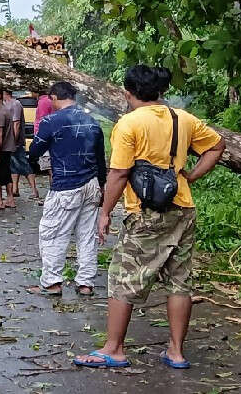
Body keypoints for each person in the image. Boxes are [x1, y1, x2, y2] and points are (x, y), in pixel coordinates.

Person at [75, 65, 225, 370]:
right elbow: (217, 145)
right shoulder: (182, 118)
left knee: (121, 277)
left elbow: (118, 174)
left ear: (128, 93)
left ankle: (114, 348)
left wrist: (104, 213)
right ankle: (176, 351)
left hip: (146, 212)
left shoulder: (128, 124)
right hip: (183, 208)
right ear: (160, 92)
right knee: (179, 281)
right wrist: (191, 176)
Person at [28, 81, 106, 297]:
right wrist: (102, 187)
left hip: (65, 185)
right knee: (87, 235)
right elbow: (101, 159)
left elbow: (35, 150)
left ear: (53, 98)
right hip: (92, 184)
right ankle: (86, 283)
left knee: (53, 233)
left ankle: (52, 283)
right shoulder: (92, 122)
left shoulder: (52, 121)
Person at [6, 91, 40, 201]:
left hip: (16, 141)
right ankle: (15, 189)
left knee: (23, 164)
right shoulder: (7, 104)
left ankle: (34, 190)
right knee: (13, 164)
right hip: (10, 141)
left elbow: (16, 124)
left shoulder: (15, 104)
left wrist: (13, 141)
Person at [34, 89, 54, 173]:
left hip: (45, 138)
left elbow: (43, 120)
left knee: (50, 169)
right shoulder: (50, 100)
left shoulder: (43, 101)